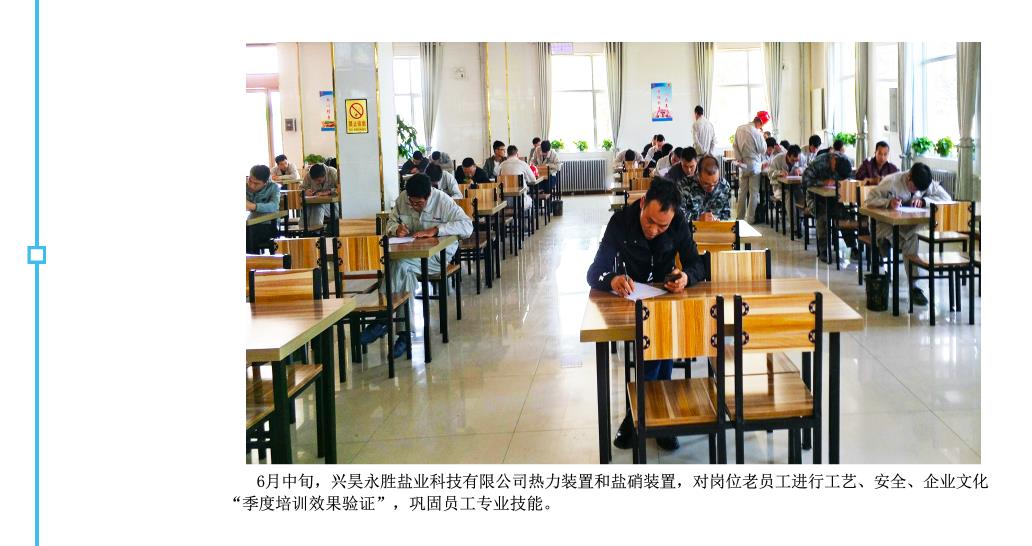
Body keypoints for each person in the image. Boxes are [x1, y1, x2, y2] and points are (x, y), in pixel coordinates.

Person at [586, 177, 706, 451]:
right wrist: (613, 279)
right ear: (642, 203)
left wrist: (686, 277)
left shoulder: (678, 222)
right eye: (650, 221)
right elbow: (594, 272)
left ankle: (638, 414)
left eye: (662, 226)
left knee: (660, 337)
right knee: (657, 342)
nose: (653, 230)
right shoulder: (621, 222)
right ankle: (656, 415)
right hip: (631, 302)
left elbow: (697, 264)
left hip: (666, 300)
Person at [362, 174, 474, 356]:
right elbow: (390, 222)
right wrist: (395, 229)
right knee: (402, 268)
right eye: (411, 203)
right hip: (410, 252)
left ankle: (383, 318)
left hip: (437, 256)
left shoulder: (443, 201)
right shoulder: (403, 199)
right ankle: (404, 334)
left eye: (419, 204)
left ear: (429, 195)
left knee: (399, 264)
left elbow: (467, 226)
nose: (414, 206)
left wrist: (436, 230)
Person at [865, 163, 951, 305]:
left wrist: (924, 201)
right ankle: (914, 286)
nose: (916, 191)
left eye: (919, 190)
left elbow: (947, 199)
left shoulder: (924, 182)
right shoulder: (891, 181)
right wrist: (888, 202)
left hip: (905, 226)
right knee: (910, 239)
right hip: (883, 225)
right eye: (914, 187)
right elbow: (869, 200)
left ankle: (914, 285)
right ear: (909, 176)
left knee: (910, 237)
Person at [801, 150, 854, 262]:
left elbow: (849, 177)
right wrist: (822, 183)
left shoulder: (845, 161)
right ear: (834, 163)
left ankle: (853, 246)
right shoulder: (819, 163)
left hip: (833, 199)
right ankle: (823, 250)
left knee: (844, 215)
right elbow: (804, 180)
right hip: (814, 198)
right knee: (822, 215)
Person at [733, 112, 769, 223]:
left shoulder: (739, 128)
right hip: (754, 165)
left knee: (742, 192)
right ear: (760, 123)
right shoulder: (757, 133)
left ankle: (739, 218)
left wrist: (739, 159)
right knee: (754, 193)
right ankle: (750, 219)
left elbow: (735, 146)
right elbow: (762, 150)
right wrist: (763, 137)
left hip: (743, 164)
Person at [680, 155, 732, 222]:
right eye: (706, 184)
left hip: (717, 227)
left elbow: (726, 215)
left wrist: (719, 221)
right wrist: (698, 220)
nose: (711, 188)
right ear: (698, 175)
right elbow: (679, 217)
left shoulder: (724, 186)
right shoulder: (684, 186)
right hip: (692, 228)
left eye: (715, 182)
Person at [246, 165, 281, 253]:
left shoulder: (274, 187)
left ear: (265, 183)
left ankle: (252, 260)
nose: (252, 185)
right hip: (250, 222)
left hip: (269, 224)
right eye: (250, 180)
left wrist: (254, 206)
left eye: (256, 183)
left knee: (250, 234)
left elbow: (274, 206)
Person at [496, 145, 536, 211]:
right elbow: (533, 179)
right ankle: (523, 217)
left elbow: (498, 179)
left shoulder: (502, 165)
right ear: (517, 154)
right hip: (520, 202)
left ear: (507, 154)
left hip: (505, 202)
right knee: (530, 200)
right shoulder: (523, 164)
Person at [301, 163, 339, 228]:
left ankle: (314, 230)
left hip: (332, 207)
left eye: (319, 180)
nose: (316, 183)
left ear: (325, 175)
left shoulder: (332, 173)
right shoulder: (309, 175)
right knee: (308, 206)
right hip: (314, 205)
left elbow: (342, 189)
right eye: (314, 181)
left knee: (317, 206)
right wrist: (305, 192)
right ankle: (304, 229)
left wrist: (329, 192)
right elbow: (301, 189)